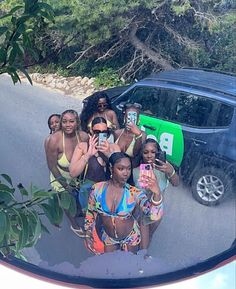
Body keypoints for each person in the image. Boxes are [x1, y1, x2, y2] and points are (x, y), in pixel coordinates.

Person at [84, 152, 164, 254]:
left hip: (130, 236)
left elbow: (154, 216)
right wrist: (88, 233)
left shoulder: (134, 193)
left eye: (128, 168)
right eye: (121, 169)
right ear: (111, 168)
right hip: (109, 237)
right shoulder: (97, 189)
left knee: (129, 264)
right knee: (110, 265)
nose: (126, 173)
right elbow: (91, 213)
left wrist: (157, 193)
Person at [45, 109, 88, 232]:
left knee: (79, 198)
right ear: (61, 124)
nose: (68, 125)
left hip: (78, 177)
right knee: (67, 202)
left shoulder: (84, 137)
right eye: (64, 122)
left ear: (77, 122)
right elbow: (52, 166)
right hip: (60, 176)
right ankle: (74, 224)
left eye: (71, 121)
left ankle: (80, 211)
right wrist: (65, 185)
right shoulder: (54, 140)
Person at [133, 138, 179, 250]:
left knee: (150, 235)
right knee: (143, 246)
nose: (149, 155)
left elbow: (176, 183)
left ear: (158, 152)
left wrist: (170, 171)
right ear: (141, 154)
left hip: (157, 210)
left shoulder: (164, 168)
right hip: (142, 212)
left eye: (153, 152)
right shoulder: (135, 171)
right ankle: (140, 259)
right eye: (145, 152)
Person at [69, 117, 120, 210]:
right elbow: (73, 173)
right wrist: (87, 155)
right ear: (91, 132)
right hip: (88, 192)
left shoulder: (114, 148)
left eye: (104, 132)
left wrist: (109, 154)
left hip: (108, 191)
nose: (101, 135)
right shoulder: (83, 147)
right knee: (89, 219)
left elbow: (120, 174)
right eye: (97, 132)